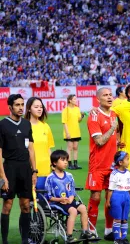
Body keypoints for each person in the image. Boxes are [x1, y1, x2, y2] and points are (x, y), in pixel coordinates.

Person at [0, 94, 37, 244]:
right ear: (10, 107)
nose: (21, 107)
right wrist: (3, 177)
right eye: (17, 105)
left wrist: (34, 171)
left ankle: (24, 240)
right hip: (9, 168)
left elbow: (31, 149)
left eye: (22, 104)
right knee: (7, 205)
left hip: (25, 169)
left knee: (26, 205)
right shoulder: (2, 125)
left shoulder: (27, 124)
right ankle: (5, 240)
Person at [86, 87, 120, 241]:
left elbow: (115, 136)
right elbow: (99, 141)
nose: (109, 97)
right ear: (98, 99)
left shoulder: (114, 114)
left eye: (110, 95)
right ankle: (91, 231)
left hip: (112, 165)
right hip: (97, 165)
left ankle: (108, 230)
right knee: (96, 197)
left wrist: (118, 142)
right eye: (105, 95)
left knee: (111, 199)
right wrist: (113, 128)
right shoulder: (94, 116)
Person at [45, 150, 98, 243]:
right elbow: (49, 196)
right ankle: (69, 236)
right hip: (57, 202)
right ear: (54, 163)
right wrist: (60, 199)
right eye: (63, 160)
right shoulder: (50, 178)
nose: (66, 162)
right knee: (73, 211)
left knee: (83, 208)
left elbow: (72, 191)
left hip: (69, 200)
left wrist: (70, 199)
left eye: (66, 160)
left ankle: (85, 232)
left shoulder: (69, 176)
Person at [24, 97, 54, 190]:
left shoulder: (45, 126)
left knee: (45, 200)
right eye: (36, 107)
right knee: (31, 201)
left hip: (46, 170)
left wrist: (53, 164)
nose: (39, 109)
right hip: (31, 170)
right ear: (29, 109)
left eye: (41, 107)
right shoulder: (24, 126)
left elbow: (48, 148)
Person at [107, 151, 130, 244]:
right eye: (127, 159)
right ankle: (117, 238)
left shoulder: (129, 173)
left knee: (125, 218)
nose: (129, 161)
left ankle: (123, 238)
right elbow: (110, 189)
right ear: (120, 162)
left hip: (126, 196)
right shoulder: (114, 174)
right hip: (117, 196)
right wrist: (108, 201)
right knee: (117, 218)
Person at [62, 94, 84, 170]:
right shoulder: (66, 110)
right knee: (69, 148)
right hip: (69, 132)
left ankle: (75, 164)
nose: (76, 100)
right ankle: (69, 164)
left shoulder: (77, 109)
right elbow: (64, 122)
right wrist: (67, 133)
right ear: (70, 100)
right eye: (74, 99)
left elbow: (79, 120)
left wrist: (82, 116)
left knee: (75, 147)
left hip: (76, 131)